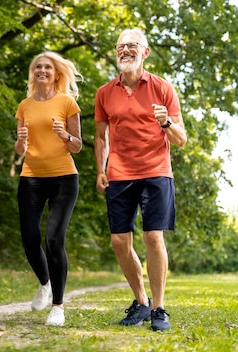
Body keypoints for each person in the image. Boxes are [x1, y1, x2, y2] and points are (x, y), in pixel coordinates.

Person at [94, 28, 187, 331]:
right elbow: (100, 137)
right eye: (121, 46)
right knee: (119, 240)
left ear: (145, 52)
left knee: (153, 236)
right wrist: (100, 169)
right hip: (119, 174)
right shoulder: (105, 93)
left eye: (132, 46)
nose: (125, 50)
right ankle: (141, 301)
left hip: (156, 172)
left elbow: (181, 139)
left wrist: (167, 122)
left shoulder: (162, 88)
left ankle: (159, 308)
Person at [14, 52, 83, 327]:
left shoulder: (67, 102)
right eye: (38, 67)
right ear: (34, 73)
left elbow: (77, 144)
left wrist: (64, 135)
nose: (42, 70)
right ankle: (45, 283)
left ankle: (58, 306)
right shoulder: (24, 106)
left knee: (54, 239)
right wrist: (20, 141)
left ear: (57, 74)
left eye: (47, 67)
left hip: (64, 178)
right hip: (30, 177)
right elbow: (20, 150)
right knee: (30, 240)